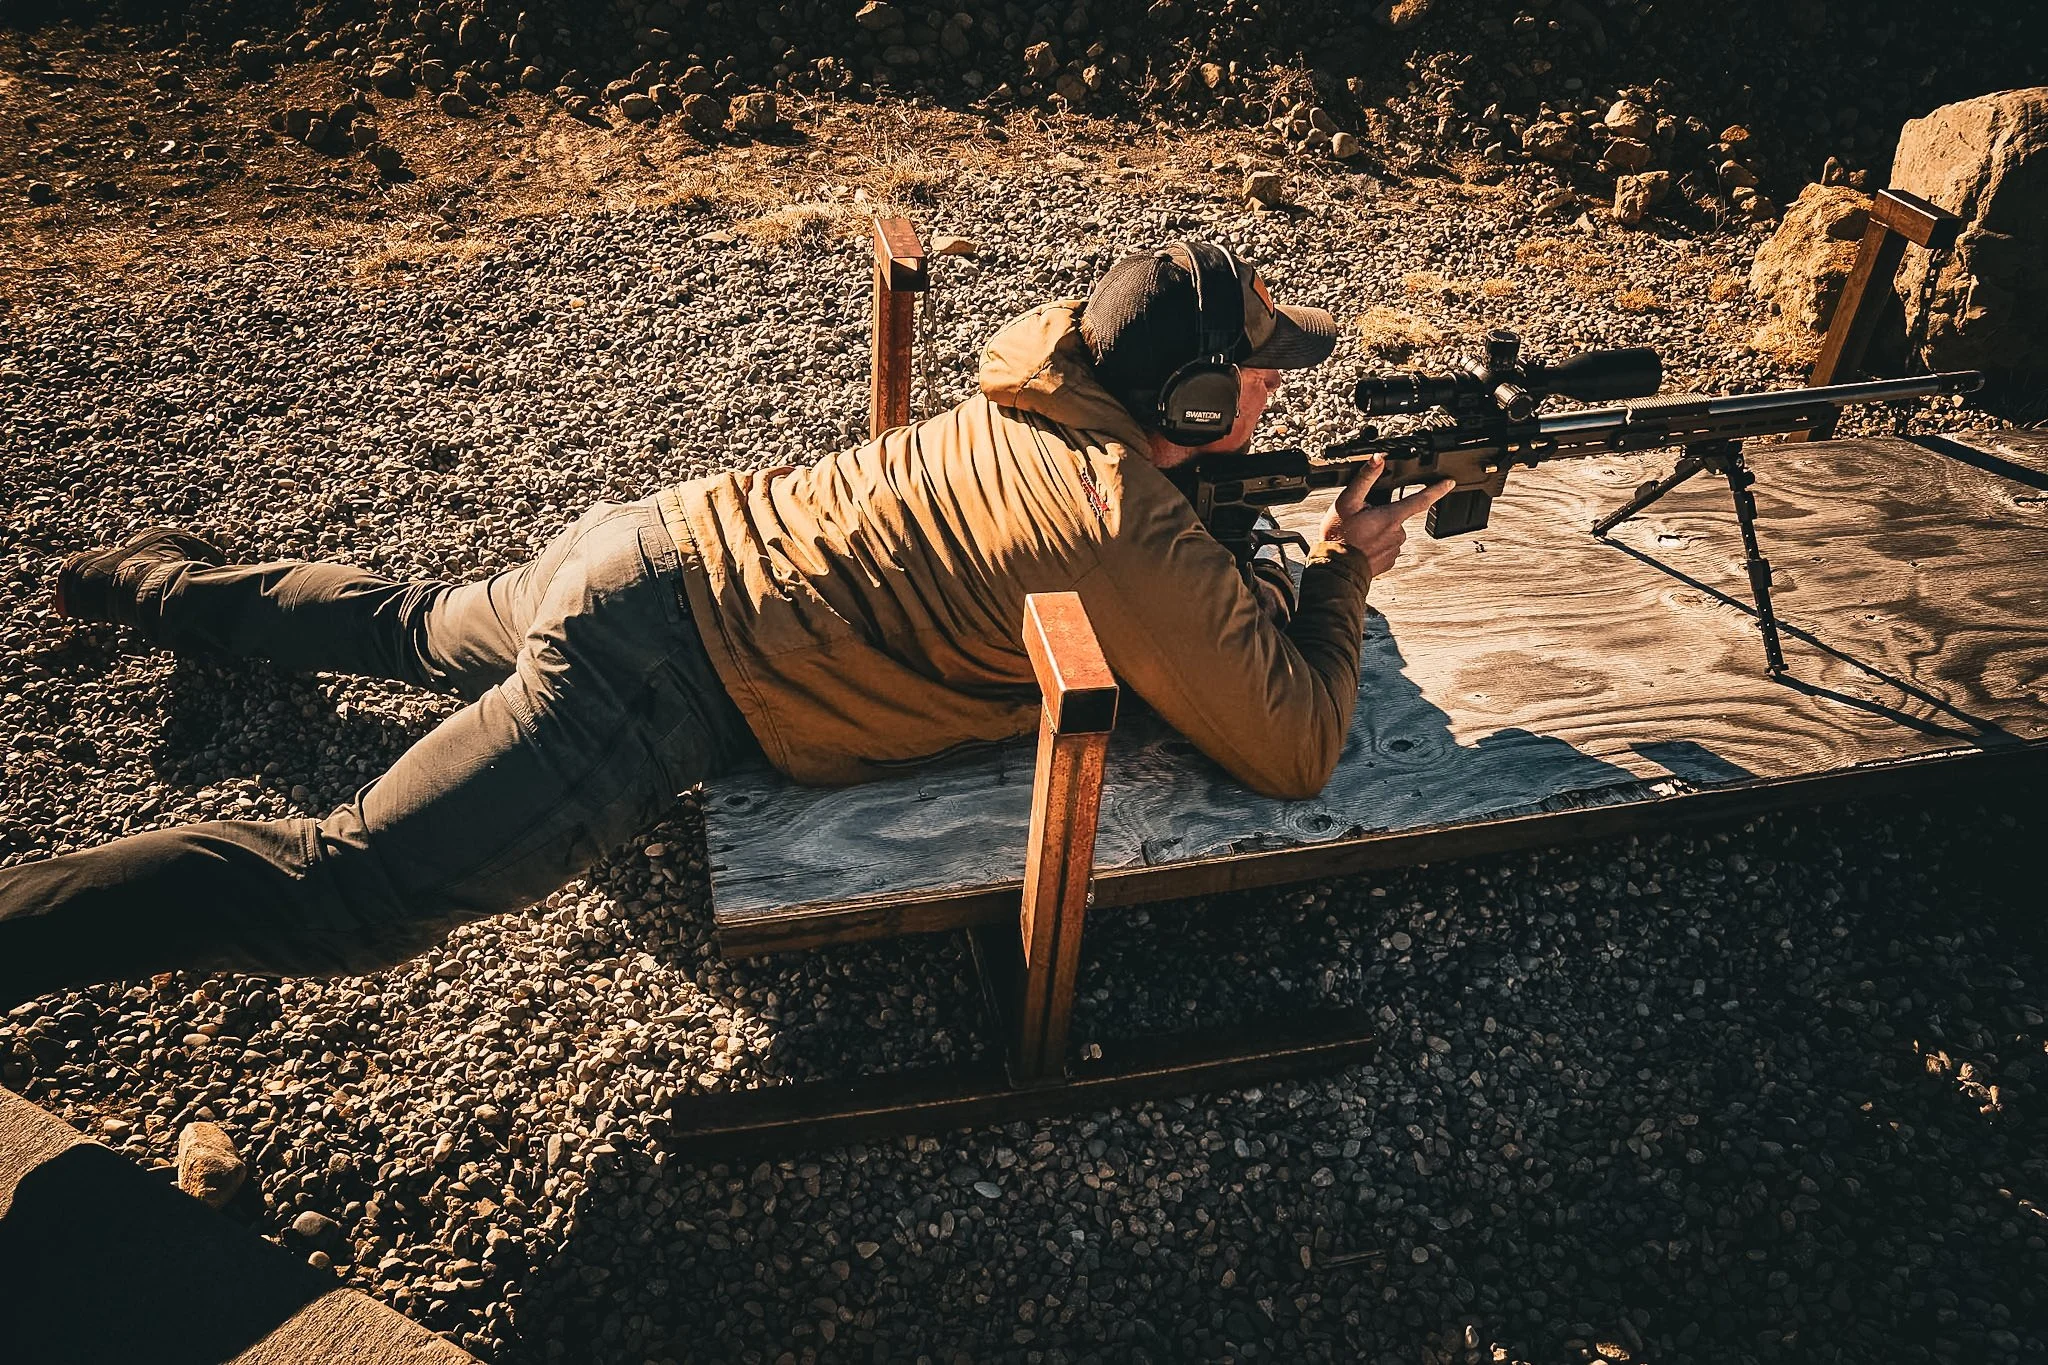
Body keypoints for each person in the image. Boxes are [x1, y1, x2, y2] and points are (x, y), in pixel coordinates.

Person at [0, 240, 1450, 1007]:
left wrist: (1221, 509)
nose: (1277, 387)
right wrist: (1343, 566)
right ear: (1190, 405)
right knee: (342, 894)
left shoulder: (1045, 379)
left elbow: (1129, 504)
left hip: (650, 543)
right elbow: (1295, 747)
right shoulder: (1125, 525)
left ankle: (159, 586)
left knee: (414, 621)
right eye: (1252, 376)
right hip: (657, 682)